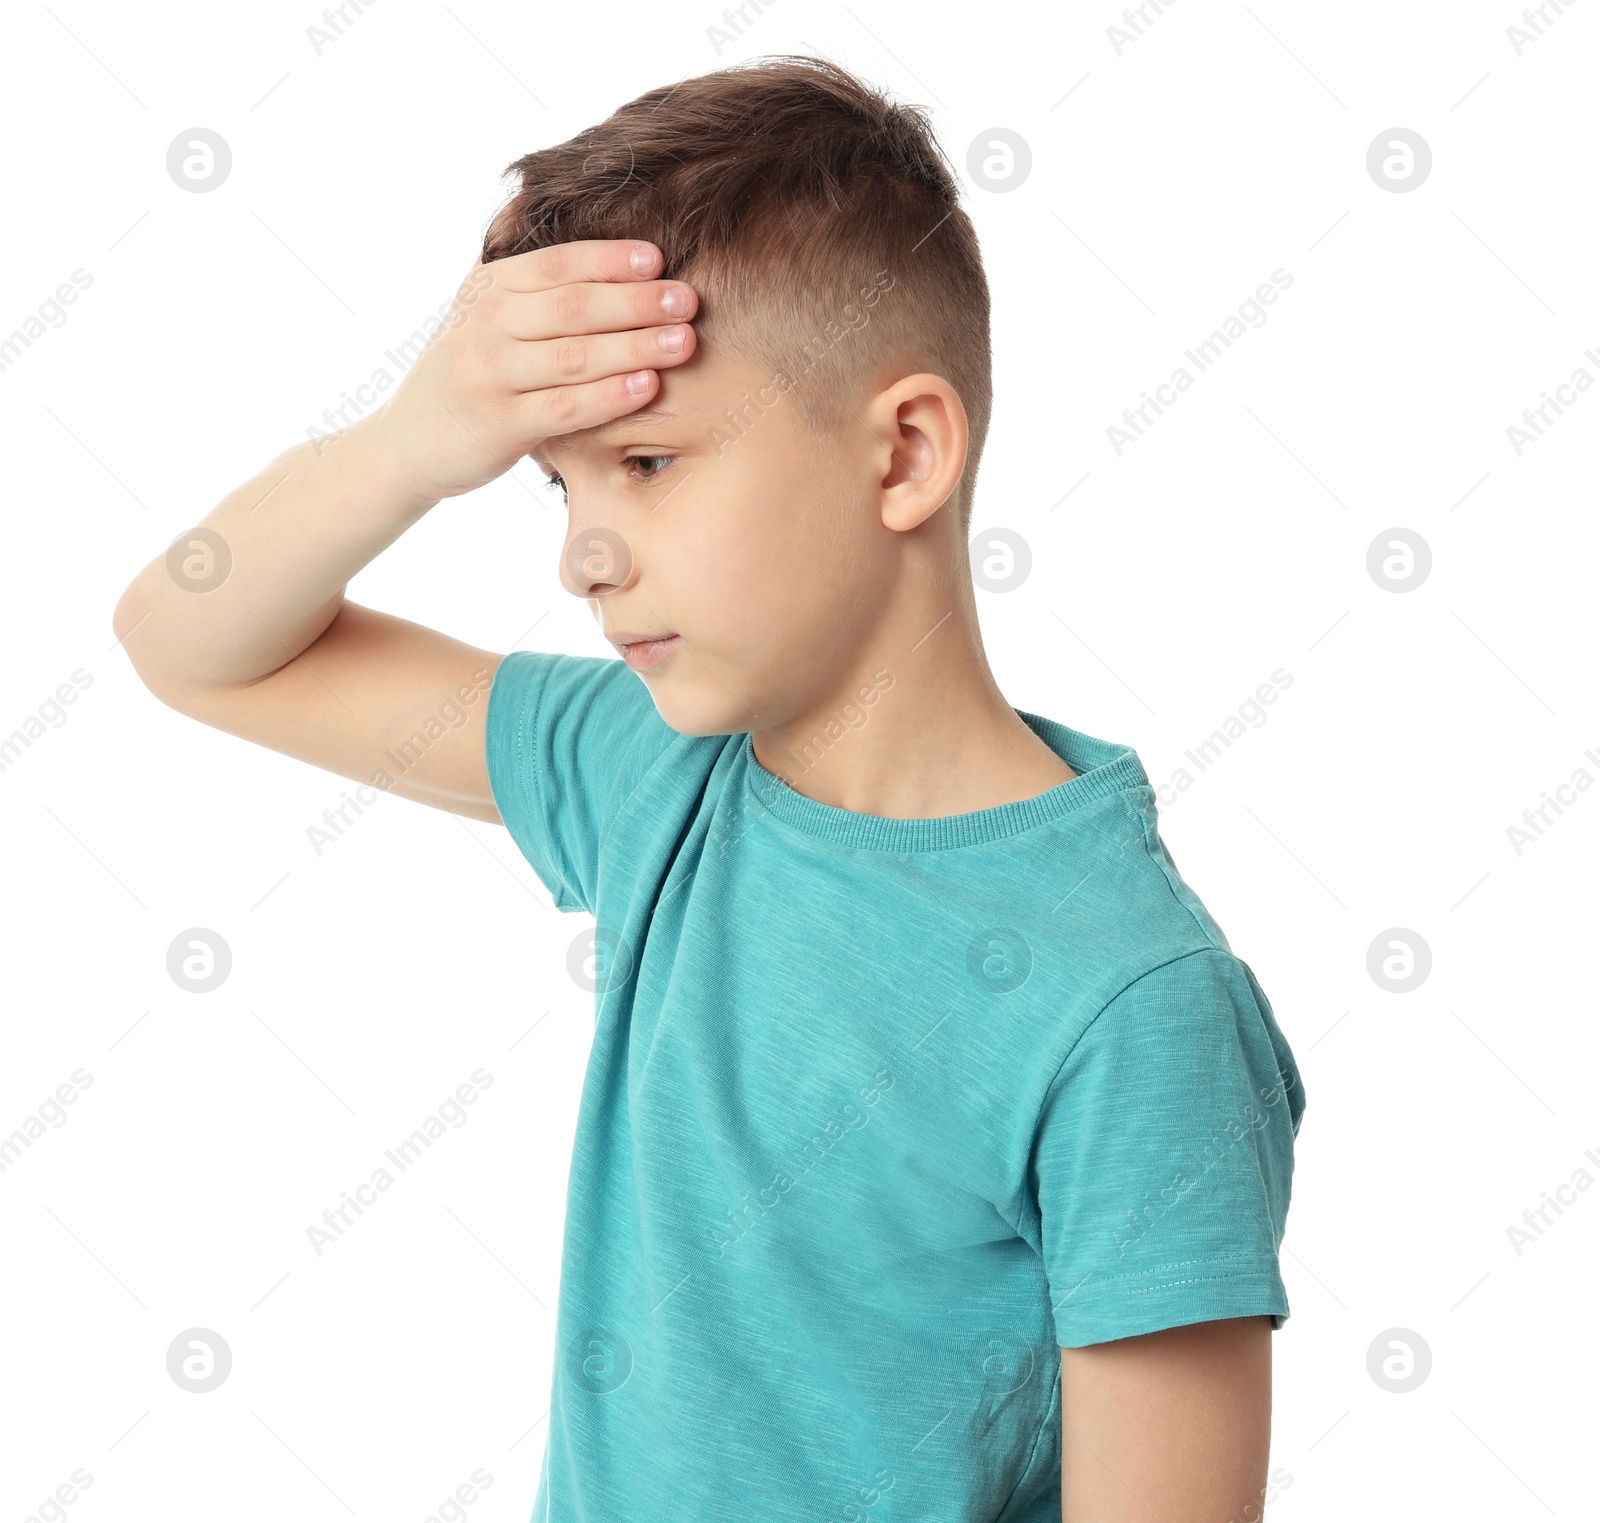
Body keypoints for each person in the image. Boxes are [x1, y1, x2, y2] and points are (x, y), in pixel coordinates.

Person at [113, 53, 1305, 1523]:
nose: (583, 555)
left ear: (907, 452)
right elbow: (193, 646)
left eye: (650, 460)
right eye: (563, 485)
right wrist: (408, 446)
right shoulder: (659, 776)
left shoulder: (1132, 1009)